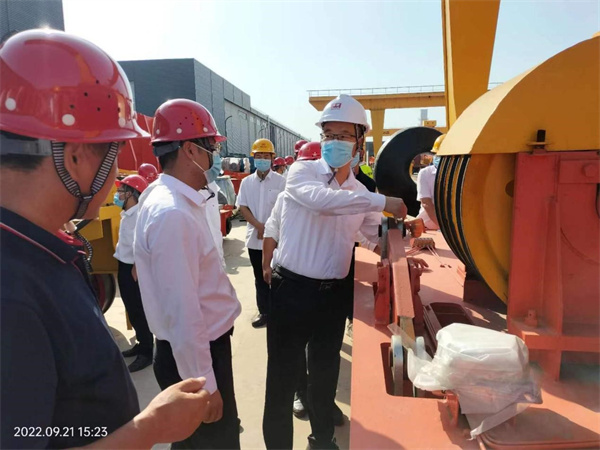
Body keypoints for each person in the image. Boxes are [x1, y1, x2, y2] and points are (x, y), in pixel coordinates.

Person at [1, 29, 209, 449]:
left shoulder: (38, 252)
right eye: (113, 156)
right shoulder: (12, 297)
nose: (116, 176)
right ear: (75, 156)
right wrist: (150, 428)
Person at [262, 93, 407, 450]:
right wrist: (383, 201)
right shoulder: (302, 172)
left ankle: (322, 439)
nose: (333, 142)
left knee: (325, 374)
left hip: (333, 295)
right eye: (328, 135)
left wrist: (405, 242)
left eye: (342, 135)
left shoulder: (358, 191)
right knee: (281, 380)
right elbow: (323, 203)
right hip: (292, 291)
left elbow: (370, 234)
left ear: (359, 140)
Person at [134, 98, 242, 449]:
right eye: (212, 148)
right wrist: (205, 385)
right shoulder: (173, 214)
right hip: (196, 354)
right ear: (190, 150)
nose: (215, 157)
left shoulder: (170, 196)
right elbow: (183, 311)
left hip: (193, 350)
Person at [236, 138, 285, 328]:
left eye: (266, 156)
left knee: (277, 278)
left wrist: (270, 230)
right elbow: (243, 206)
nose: (262, 159)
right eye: (259, 156)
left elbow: (285, 209)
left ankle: (279, 312)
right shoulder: (247, 182)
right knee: (260, 277)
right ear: (253, 157)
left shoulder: (281, 182)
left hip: (277, 240)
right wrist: (259, 226)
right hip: (254, 239)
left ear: (272, 158)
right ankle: (264, 312)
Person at [114, 174, 154, 372]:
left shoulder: (139, 215)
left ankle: (146, 352)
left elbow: (146, 242)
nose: (117, 195)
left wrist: (138, 266)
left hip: (133, 269)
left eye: (121, 191)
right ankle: (140, 342)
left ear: (131, 194)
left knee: (139, 309)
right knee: (131, 308)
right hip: (124, 265)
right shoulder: (128, 214)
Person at [416, 134, 444, 230]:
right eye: (437, 154)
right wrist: (442, 227)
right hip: (428, 227)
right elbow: (426, 203)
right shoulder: (425, 173)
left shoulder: (458, 174)